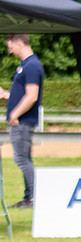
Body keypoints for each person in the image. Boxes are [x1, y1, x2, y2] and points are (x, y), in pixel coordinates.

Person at [1, 34, 43, 208]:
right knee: (25, 158)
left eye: (11, 47)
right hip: (21, 120)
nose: (10, 51)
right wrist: (7, 96)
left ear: (20, 43)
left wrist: (15, 114)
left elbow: (32, 96)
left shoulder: (32, 66)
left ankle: (33, 198)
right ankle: (29, 197)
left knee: (21, 159)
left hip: (22, 122)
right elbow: (23, 94)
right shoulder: (25, 66)